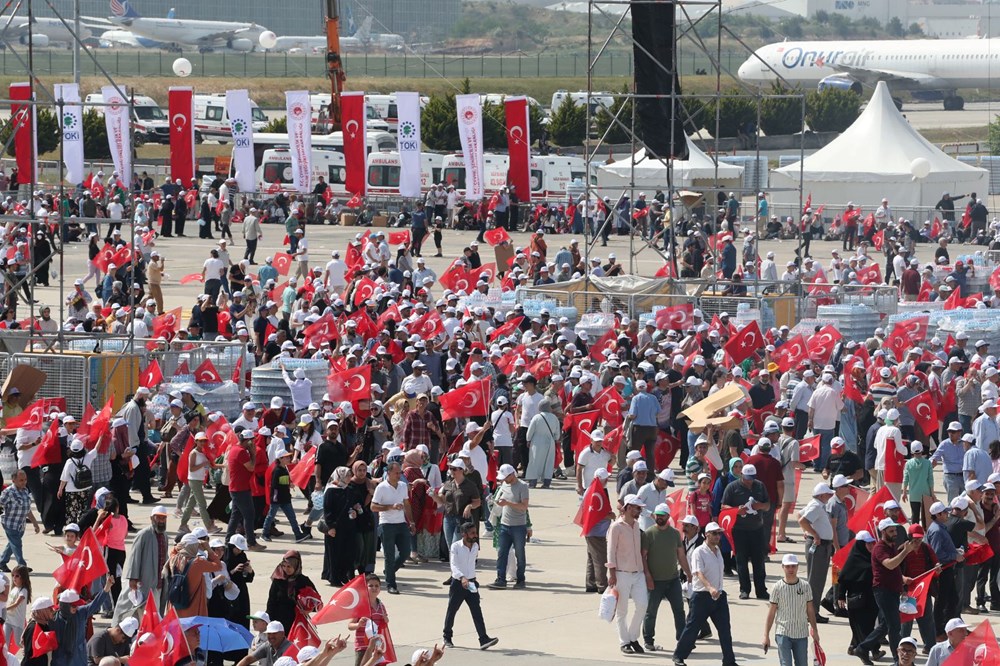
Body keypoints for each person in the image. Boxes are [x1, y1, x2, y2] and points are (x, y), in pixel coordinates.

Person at [854, 517, 918, 665]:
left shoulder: (891, 546)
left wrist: (902, 580)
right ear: (883, 532)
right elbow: (889, 564)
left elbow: (894, 569)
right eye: (891, 531)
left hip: (893, 590)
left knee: (885, 625)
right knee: (894, 626)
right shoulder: (880, 548)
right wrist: (905, 552)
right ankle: (898, 659)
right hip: (883, 591)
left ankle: (862, 648)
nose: (895, 533)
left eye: (895, 530)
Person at [672, 521, 737, 666]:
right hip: (702, 596)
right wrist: (710, 588)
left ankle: (729, 661)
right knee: (692, 628)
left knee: (725, 629)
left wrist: (717, 590)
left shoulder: (718, 550)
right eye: (714, 534)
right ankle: (678, 656)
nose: (717, 536)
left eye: (719, 534)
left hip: (719, 596)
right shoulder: (699, 552)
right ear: (706, 534)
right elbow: (698, 573)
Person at [641, 502, 691, 652]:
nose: (659, 518)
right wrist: (648, 576)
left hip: (673, 580)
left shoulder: (675, 533)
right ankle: (648, 640)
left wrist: (688, 573)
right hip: (655, 581)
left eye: (662, 516)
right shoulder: (648, 533)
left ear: (668, 516)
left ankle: (682, 639)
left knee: (679, 611)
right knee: (651, 612)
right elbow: (643, 557)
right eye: (657, 515)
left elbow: (681, 556)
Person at [442, 522, 499, 650]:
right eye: (472, 533)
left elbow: (471, 565)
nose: (475, 535)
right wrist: (462, 577)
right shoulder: (456, 547)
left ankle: (483, 639)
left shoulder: (475, 547)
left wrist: (472, 580)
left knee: (477, 611)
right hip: (458, 584)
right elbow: (454, 566)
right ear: (464, 534)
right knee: (452, 610)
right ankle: (447, 637)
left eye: (475, 532)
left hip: (471, 584)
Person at [111, 506, 169, 624]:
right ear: (152, 519)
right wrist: (133, 578)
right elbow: (134, 556)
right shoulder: (144, 534)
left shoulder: (165, 536)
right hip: (143, 581)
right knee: (132, 610)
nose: (161, 521)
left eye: (163, 518)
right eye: (158, 518)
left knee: (153, 614)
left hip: (157, 583)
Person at [721, 463, 770, 600]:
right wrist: (737, 510)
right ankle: (744, 590)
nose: (749, 481)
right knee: (741, 562)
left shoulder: (760, 486)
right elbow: (723, 506)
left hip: (757, 529)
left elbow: (767, 505)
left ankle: (761, 590)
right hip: (739, 530)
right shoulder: (732, 487)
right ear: (741, 474)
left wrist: (761, 505)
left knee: (759, 561)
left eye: (752, 478)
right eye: (747, 478)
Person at [608, 494, 649, 654]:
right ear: (629, 507)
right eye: (637, 508)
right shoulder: (616, 527)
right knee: (622, 610)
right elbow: (610, 551)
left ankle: (632, 637)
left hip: (637, 573)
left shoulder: (637, 526)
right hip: (621, 573)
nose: (639, 511)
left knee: (642, 604)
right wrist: (612, 574)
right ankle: (624, 641)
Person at [762, 554, 820, 666]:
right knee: (786, 664)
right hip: (783, 633)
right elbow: (771, 613)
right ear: (783, 567)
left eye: (793, 566)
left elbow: (810, 611)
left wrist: (815, 630)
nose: (790, 569)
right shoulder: (777, 587)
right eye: (787, 566)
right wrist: (766, 635)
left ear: (797, 567)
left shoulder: (805, 586)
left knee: (802, 664)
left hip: (801, 633)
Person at [371, 461, 414, 595]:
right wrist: (390, 507)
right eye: (396, 472)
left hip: (401, 523)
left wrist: (411, 521)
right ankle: (391, 584)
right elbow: (373, 506)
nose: (399, 475)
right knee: (389, 555)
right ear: (388, 473)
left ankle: (389, 571)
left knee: (406, 552)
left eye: (400, 472)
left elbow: (407, 504)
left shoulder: (402, 486)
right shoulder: (382, 487)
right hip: (386, 524)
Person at [797, 482, 834, 624]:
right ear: (821, 495)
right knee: (816, 581)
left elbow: (799, 515)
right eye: (828, 494)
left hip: (821, 546)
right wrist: (814, 534)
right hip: (819, 546)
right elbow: (802, 520)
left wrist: (807, 531)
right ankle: (812, 612)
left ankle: (813, 611)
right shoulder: (817, 506)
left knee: (817, 580)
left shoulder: (817, 505)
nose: (830, 496)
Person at [489, 464, 529, 590]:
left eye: (506, 477)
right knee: (502, 553)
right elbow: (501, 502)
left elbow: (524, 506)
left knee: (519, 554)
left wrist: (507, 503)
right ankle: (500, 579)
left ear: (512, 474)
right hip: (504, 525)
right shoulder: (504, 485)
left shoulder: (522, 486)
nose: (504, 480)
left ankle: (521, 579)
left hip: (518, 526)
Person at [0, 470, 39, 569]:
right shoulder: (8, 492)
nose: (24, 482)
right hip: (10, 524)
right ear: (13, 480)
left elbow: (27, 510)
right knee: (17, 544)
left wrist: (35, 523)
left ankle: (2, 562)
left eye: (25, 479)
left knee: (12, 544)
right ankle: (22, 566)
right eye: (21, 480)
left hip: (20, 525)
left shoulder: (25, 491)